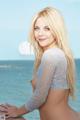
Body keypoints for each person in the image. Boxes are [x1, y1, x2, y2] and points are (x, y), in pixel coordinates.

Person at [0, 6, 80, 120]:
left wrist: (17, 111)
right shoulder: (59, 54)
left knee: (2, 112)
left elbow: (39, 97)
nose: (40, 33)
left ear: (56, 29)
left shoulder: (51, 56)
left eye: (47, 28)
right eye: (36, 28)